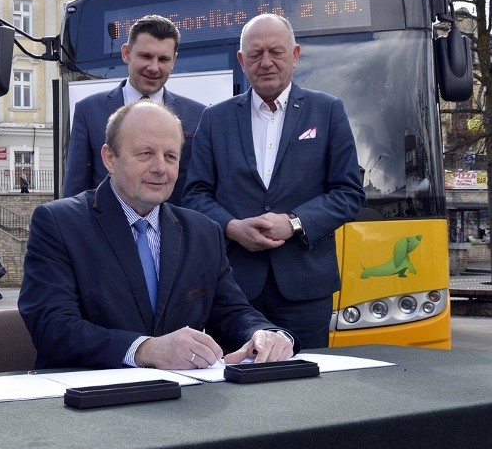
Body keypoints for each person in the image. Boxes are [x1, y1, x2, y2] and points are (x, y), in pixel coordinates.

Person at [19, 101, 298, 370]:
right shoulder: (59, 223)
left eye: (170, 156)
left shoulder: (203, 232)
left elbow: (232, 312)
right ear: (109, 158)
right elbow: (51, 327)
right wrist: (145, 350)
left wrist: (265, 334)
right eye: (145, 154)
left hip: (181, 404)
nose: (160, 168)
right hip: (88, 401)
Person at [183, 14, 365, 349]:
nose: (266, 62)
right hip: (234, 288)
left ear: (295, 55)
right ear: (242, 61)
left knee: (305, 388)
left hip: (305, 290)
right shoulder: (214, 119)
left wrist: (294, 223)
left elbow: (348, 192)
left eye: (276, 52)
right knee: (235, 386)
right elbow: (194, 194)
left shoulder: (327, 111)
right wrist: (232, 227)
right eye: (255, 54)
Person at [62, 14, 205, 205]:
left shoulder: (197, 116)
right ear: (126, 53)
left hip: (175, 233)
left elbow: (199, 192)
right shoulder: (88, 112)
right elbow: (75, 192)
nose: (154, 67)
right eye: (145, 56)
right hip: (104, 232)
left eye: (163, 59)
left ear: (174, 60)